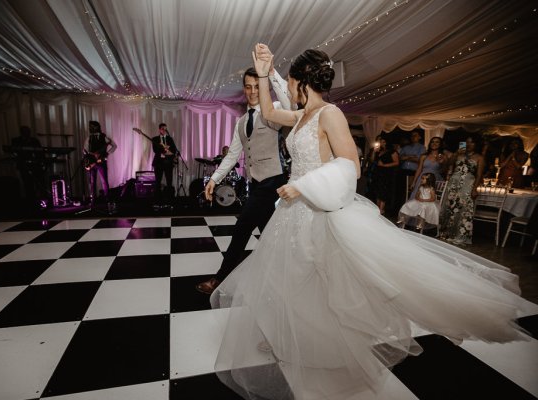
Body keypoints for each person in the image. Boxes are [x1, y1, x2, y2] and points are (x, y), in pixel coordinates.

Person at [211, 44, 532, 400]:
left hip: (315, 206)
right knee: (291, 278)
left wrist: (304, 185)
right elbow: (270, 111)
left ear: (302, 81)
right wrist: (263, 69)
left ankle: (322, 345)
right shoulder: (300, 116)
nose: (285, 86)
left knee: (315, 278)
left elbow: (351, 164)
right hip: (292, 212)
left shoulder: (329, 114)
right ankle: (294, 337)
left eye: (288, 80)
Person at [195, 64, 292, 294]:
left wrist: (270, 74)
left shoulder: (274, 109)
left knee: (241, 230)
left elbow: (291, 106)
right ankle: (286, 280)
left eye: (257, 87)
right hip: (256, 184)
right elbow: (233, 154)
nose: (252, 92)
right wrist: (215, 179)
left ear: (264, 88)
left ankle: (220, 279)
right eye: (248, 87)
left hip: (273, 183)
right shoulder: (241, 122)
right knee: (270, 236)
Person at [440, 135, 485, 246]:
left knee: (464, 209)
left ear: (476, 144)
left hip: (467, 183)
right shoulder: (458, 154)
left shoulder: (480, 157)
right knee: (450, 207)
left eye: (472, 142)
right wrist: (456, 153)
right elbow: (447, 164)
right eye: (467, 142)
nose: (469, 144)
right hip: (453, 183)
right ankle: (447, 234)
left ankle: (461, 236)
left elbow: (479, 175)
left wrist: (474, 189)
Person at [83, 120, 117, 204]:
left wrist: (106, 154)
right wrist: (87, 160)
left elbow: (114, 146)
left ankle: (107, 198)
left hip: (101, 161)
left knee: (104, 180)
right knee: (92, 181)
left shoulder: (104, 137)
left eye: (92, 127)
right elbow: (85, 150)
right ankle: (93, 199)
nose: (91, 128)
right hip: (91, 162)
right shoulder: (89, 138)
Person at [11, 125, 44, 200]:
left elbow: (40, 152)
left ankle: (42, 201)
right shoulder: (16, 140)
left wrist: (41, 162)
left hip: (36, 166)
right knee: (28, 185)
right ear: (22, 133)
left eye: (28, 132)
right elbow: (15, 152)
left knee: (40, 184)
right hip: (24, 166)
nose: (28, 134)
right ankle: (31, 201)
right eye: (25, 132)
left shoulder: (34, 140)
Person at [151, 123, 178, 206]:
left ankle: (169, 201)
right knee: (158, 182)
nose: (164, 130)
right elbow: (156, 150)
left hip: (168, 163)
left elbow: (174, 150)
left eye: (165, 129)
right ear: (159, 129)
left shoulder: (170, 139)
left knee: (169, 182)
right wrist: (165, 149)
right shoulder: (155, 139)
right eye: (162, 129)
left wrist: (170, 152)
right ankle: (157, 201)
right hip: (158, 163)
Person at [373, 135, 399, 215]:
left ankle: (381, 210)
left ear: (387, 142)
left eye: (383, 141)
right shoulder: (379, 151)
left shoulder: (392, 151)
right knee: (377, 190)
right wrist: (374, 151)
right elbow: (372, 160)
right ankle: (377, 208)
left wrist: (384, 165)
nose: (381, 143)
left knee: (384, 191)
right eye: (380, 141)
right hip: (378, 173)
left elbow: (396, 162)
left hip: (387, 173)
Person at [398, 131, 425, 207]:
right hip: (403, 171)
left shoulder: (422, 147)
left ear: (419, 137)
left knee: (411, 189)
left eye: (415, 135)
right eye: (412, 136)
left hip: (413, 172)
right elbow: (400, 158)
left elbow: (419, 160)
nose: (413, 137)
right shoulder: (405, 147)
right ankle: (400, 207)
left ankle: (409, 206)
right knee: (401, 190)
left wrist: (406, 157)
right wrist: (412, 157)